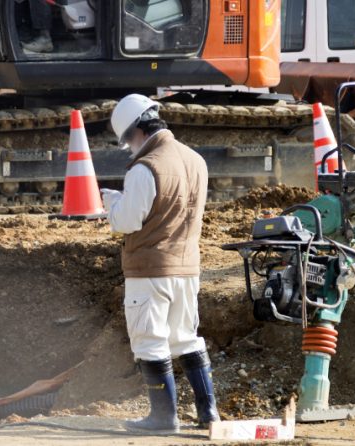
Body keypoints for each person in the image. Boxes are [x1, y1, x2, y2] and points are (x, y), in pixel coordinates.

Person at [102, 94, 220, 433]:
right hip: (187, 267)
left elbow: (128, 221)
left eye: (127, 140)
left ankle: (163, 417)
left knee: (149, 340)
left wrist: (113, 204)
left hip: (150, 270)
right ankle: (207, 413)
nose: (129, 147)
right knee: (186, 337)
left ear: (137, 131)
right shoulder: (195, 159)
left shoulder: (145, 168)